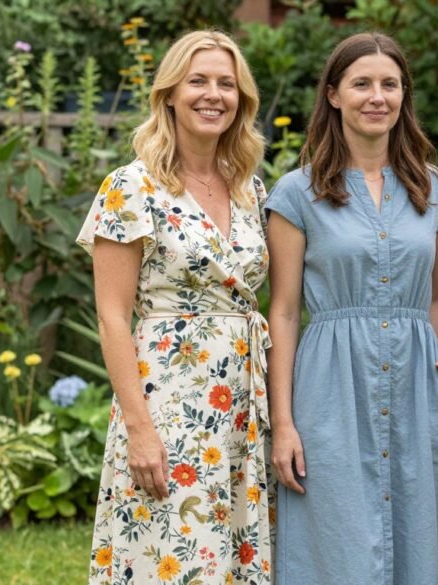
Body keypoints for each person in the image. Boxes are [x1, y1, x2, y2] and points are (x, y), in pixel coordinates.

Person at [265, 32, 438, 584]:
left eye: (389, 84)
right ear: (333, 95)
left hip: (417, 382)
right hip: (330, 387)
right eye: (362, 84)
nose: (377, 97)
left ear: (404, 95)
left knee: (418, 532)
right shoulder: (297, 193)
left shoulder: (434, 189)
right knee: (337, 538)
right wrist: (283, 422)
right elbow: (284, 311)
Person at [78, 31, 273, 584]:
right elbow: (112, 317)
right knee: (171, 552)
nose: (213, 95)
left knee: (230, 555)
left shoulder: (250, 190)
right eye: (198, 81)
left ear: (241, 100)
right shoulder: (131, 186)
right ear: (168, 94)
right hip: (168, 399)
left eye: (226, 84)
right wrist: (139, 429)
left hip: (240, 400)